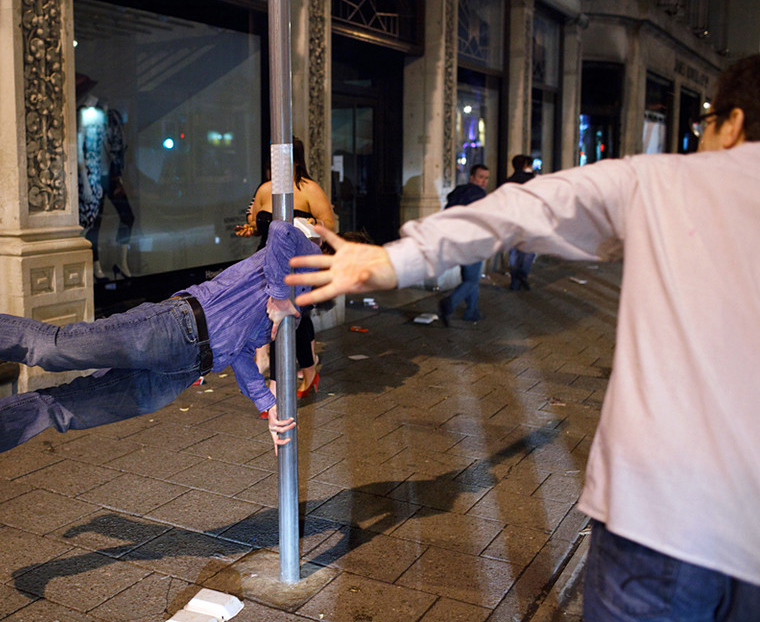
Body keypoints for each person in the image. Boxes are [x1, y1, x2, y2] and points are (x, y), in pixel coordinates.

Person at [288, 54, 760, 621]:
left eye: (705, 125)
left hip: (664, 518)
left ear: (731, 124)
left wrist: (394, 261)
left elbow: (522, 209)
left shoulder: (664, 181)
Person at [0, 219, 318, 509]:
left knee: (62, 411)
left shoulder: (301, 295)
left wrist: (266, 404)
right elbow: (279, 230)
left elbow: (241, 349)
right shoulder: (307, 250)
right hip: (173, 327)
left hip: (181, 373)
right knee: (52, 348)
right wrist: (280, 296)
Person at [248, 137, 337, 397]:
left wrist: (311, 222)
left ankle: (277, 389)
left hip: (298, 264)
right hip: (265, 263)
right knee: (279, 321)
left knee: (289, 319)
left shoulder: (310, 189)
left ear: (296, 161)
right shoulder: (266, 188)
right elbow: (255, 223)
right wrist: (249, 226)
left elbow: (329, 224)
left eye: (284, 158)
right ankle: (308, 372)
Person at [437, 163, 489, 325]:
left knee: (470, 277)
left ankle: (472, 312)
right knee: (472, 280)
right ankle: (449, 303)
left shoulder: (458, 192)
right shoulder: (479, 195)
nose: (483, 181)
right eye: (480, 177)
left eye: (486, 178)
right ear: (472, 177)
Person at [504, 154, 537, 290]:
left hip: (512, 219)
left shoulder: (509, 181)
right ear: (525, 166)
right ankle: (522, 275)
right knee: (529, 250)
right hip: (529, 219)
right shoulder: (532, 180)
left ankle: (514, 281)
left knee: (514, 251)